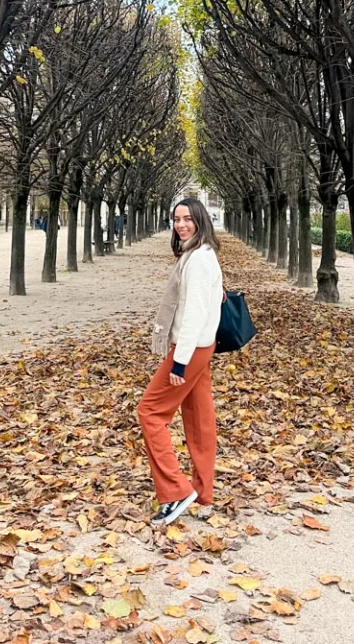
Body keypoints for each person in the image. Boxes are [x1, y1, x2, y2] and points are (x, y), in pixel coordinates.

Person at [137, 197, 223, 528]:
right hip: (201, 345)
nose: (182, 224)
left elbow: (193, 315)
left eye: (188, 218)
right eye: (176, 219)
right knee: (200, 419)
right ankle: (202, 492)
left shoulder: (199, 259)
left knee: (150, 412)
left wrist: (179, 362)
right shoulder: (197, 254)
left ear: (201, 220)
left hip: (191, 348)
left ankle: (176, 491)